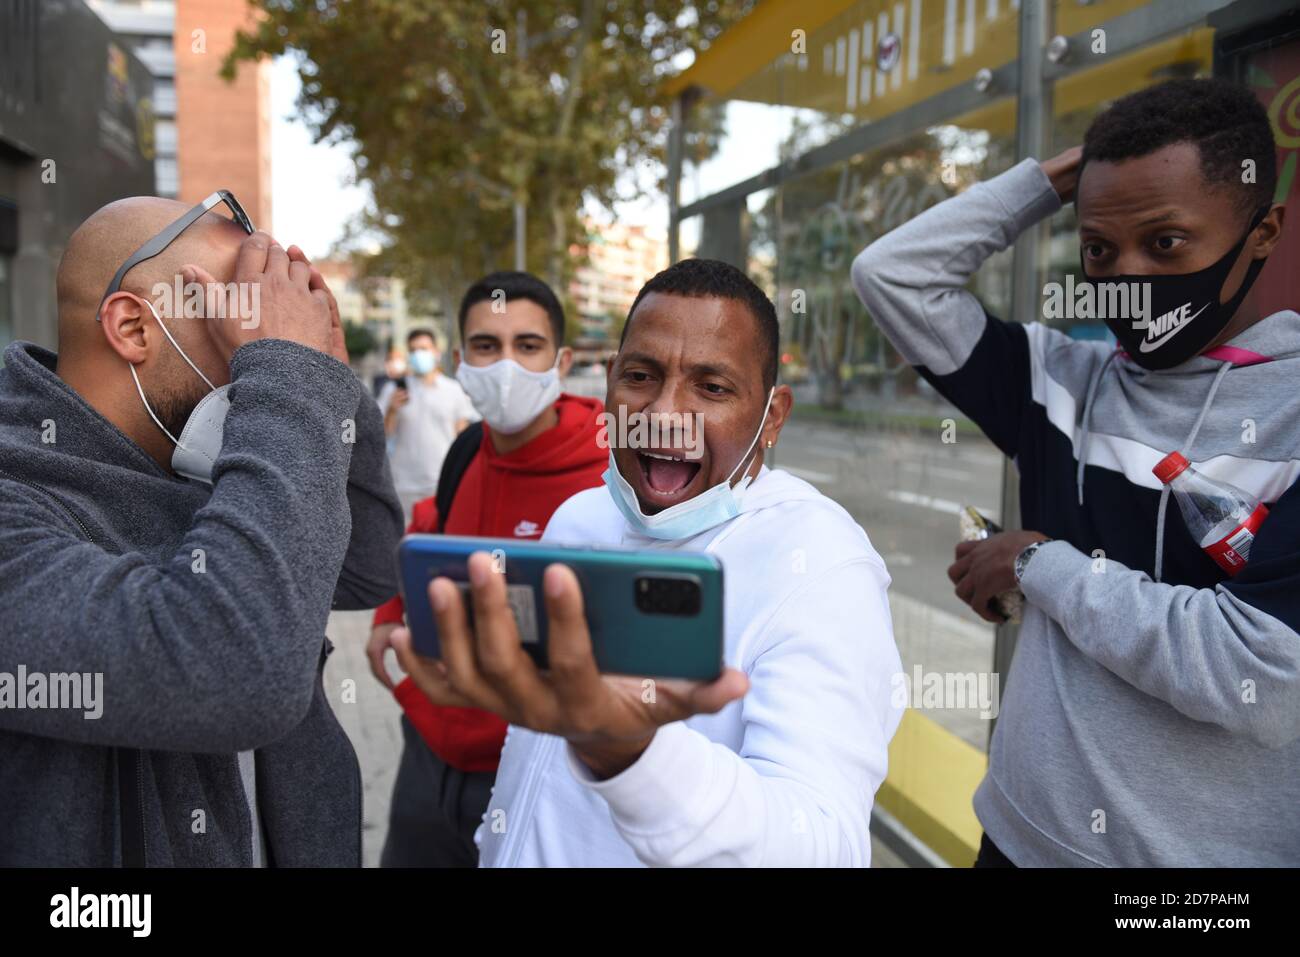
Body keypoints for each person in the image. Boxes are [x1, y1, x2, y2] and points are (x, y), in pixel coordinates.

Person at [852, 78, 1299, 867]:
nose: (1125, 274)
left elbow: (1261, 676)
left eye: (1164, 242)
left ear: (1262, 233)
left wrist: (1036, 562)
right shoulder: (1058, 381)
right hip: (1017, 837)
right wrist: (1050, 182)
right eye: (1099, 249)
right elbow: (892, 277)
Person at [390, 258, 904, 867]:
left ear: (773, 416)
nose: (664, 415)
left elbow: (824, 845)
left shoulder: (822, 564)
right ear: (608, 384)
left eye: (711, 388)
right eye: (641, 376)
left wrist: (631, 754)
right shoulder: (579, 518)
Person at [0, 193, 404, 866]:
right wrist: (286, 374)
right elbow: (235, 671)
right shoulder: (18, 505)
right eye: (243, 306)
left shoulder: (204, 456)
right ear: (134, 327)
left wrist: (324, 369)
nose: (265, 337)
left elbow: (365, 564)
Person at [369, 270, 606, 867]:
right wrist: (391, 611)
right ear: (459, 360)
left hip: (532, 764)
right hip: (427, 753)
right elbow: (429, 530)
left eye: (527, 346)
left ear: (562, 360)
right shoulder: (466, 451)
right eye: (486, 347)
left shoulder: (609, 479)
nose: (506, 366)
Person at [378, 328, 478, 517]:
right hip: (404, 485)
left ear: (436, 352)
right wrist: (391, 410)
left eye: (423, 348)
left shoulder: (453, 390)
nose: (418, 354)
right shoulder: (393, 390)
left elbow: (462, 435)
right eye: (413, 350)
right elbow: (381, 436)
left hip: (442, 481)